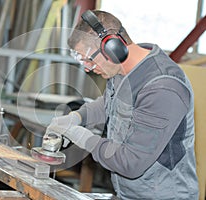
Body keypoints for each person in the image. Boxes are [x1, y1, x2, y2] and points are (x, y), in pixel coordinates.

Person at [45, 10, 199, 199]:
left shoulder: (164, 88)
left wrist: (81, 137)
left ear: (113, 47)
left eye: (89, 59)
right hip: (128, 194)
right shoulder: (121, 70)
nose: (87, 68)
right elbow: (109, 104)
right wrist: (77, 117)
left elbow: (131, 163)